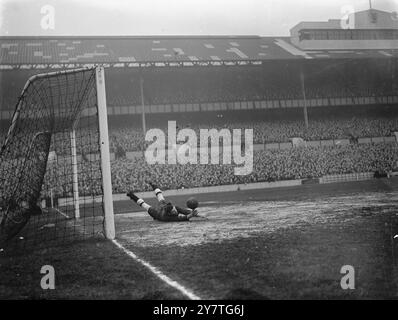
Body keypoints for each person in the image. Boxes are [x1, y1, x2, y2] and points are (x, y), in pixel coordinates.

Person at [127, 183, 198, 222]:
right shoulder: (165, 217)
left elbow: (183, 211)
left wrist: (191, 212)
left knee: (160, 197)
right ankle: (131, 196)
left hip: (163, 206)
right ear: (170, 213)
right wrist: (191, 215)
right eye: (173, 211)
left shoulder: (173, 208)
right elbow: (182, 219)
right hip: (156, 213)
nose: (175, 210)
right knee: (145, 205)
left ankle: (154, 185)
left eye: (174, 209)